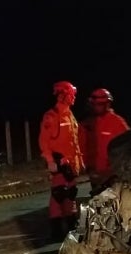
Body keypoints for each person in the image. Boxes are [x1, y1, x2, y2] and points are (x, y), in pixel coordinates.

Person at [39, 81, 84, 241]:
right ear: (62, 95)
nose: (73, 98)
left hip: (71, 164)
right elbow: (44, 141)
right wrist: (51, 160)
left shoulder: (70, 115)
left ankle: (71, 226)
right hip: (59, 163)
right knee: (59, 195)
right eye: (71, 95)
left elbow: (74, 141)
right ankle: (57, 231)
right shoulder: (52, 116)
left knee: (70, 194)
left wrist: (80, 160)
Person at [79, 88, 130, 193]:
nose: (97, 107)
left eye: (100, 104)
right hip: (94, 174)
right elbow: (82, 146)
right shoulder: (87, 124)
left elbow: (127, 146)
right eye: (95, 104)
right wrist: (85, 166)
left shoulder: (117, 122)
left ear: (107, 103)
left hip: (112, 175)